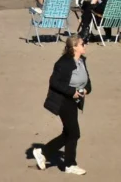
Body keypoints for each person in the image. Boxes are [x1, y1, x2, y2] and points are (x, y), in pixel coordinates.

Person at [33, 35, 91, 175]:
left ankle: (43, 152)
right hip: (63, 101)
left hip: (74, 100)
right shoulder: (63, 63)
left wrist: (86, 89)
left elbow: (87, 80)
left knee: (69, 132)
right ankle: (69, 164)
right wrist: (72, 92)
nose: (85, 46)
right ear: (75, 47)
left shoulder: (81, 60)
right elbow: (54, 82)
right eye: (82, 44)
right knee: (74, 133)